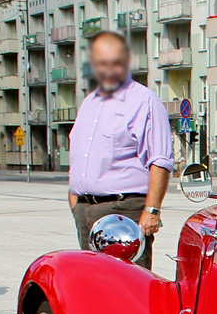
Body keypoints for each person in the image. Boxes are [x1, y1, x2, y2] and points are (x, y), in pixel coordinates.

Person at [68, 31, 172, 271]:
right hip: (85, 211)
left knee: (127, 286)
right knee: (92, 284)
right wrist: (75, 200)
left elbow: (160, 160)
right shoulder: (90, 103)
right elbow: (79, 153)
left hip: (123, 211)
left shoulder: (144, 100)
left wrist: (152, 211)